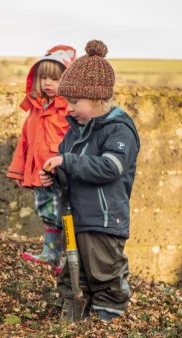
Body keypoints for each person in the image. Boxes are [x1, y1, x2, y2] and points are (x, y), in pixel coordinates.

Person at [40, 40, 140, 321]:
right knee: (73, 273)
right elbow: (68, 171)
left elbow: (110, 167)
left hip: (104, 220)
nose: (68, 108)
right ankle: (74, 323)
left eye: (74, 102)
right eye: (66, 101)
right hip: (74, 218)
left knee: (104, 272)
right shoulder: (73, 134)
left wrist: (68, 162)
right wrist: (53, 176)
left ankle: (109, 321)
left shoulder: (118, 131)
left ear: (97, 99)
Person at [6, 45, 76, 271]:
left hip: (63, 175)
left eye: (55, 79)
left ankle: (69, 259)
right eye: (44, 77)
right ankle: (50, 254)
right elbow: (25, 142)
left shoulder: (70, 111)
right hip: (40, 174)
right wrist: (18, 170)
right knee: (46, 212)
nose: (47, 83)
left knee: (67, 216)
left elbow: (78, 143)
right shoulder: (35, 109)